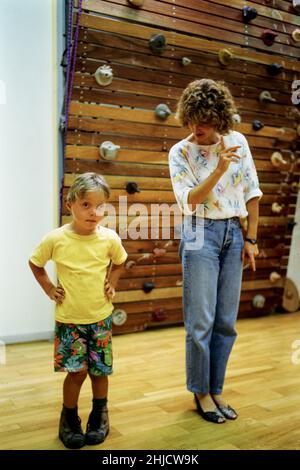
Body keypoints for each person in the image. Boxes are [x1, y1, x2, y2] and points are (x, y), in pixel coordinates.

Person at [169, 79, 262, 423]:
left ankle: (217, 388)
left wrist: (250, 239)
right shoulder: (180, 152)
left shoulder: (239, 141)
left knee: (226, 322)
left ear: (220, 117)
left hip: (233, 233)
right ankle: (201, 393)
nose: (197, 128)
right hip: (198, 231)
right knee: (200, 322)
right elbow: (190, 201)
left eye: (204, 120)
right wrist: (219, 168)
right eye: (191, 119)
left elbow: (252, 193)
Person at [29, 172, 127, 448]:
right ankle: (69, 417)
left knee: (99, 371)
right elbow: (35, 264)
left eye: (100, 206)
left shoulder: (109, 238)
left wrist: (112, 282)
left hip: (100, 318)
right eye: (86, 204)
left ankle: (100, 414)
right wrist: (49, 288)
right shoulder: (55, 239)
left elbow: (119, 263)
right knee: (77, 372)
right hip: (70, 320)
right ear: (70, 203)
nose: (93, 212)